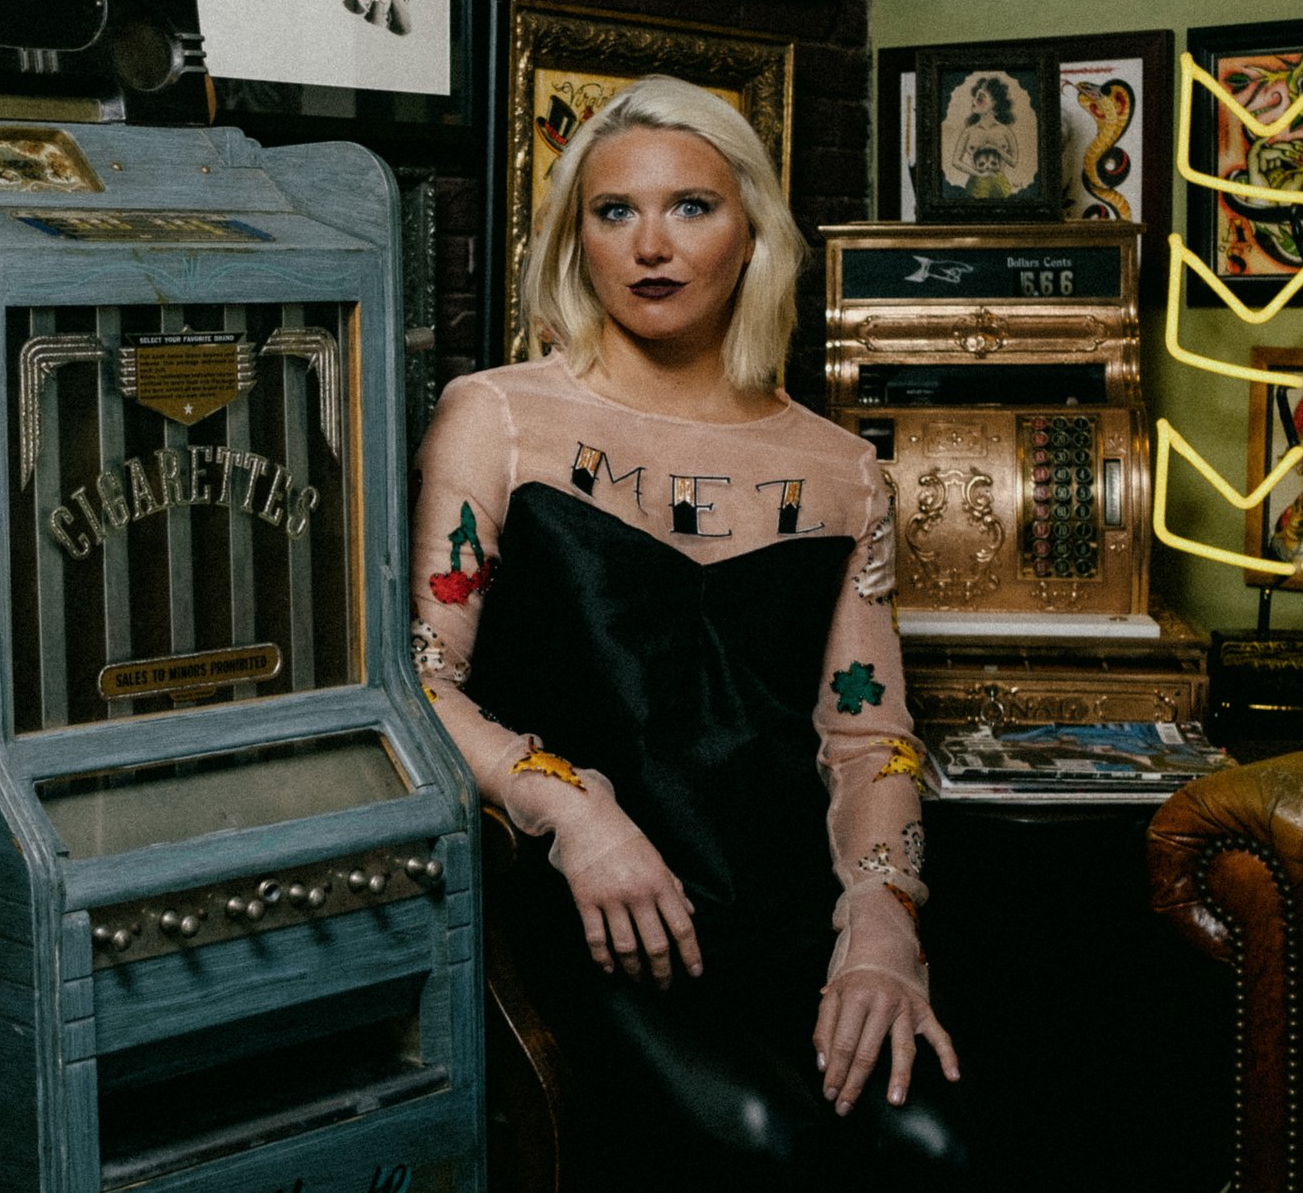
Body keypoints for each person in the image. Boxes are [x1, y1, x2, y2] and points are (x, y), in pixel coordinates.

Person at [412, 79, 969, 1185]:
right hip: (595, 913)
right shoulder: (499, 415)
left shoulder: (843, 468)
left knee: (932, 1142)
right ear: (576, 238)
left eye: (692, 207)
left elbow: (871, 737)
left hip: (792, 911)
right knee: (764, 1144)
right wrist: (574, 809)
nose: (651, 245)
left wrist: (881, 917)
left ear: (751, 230)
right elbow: (423, 681)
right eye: (614, 210)